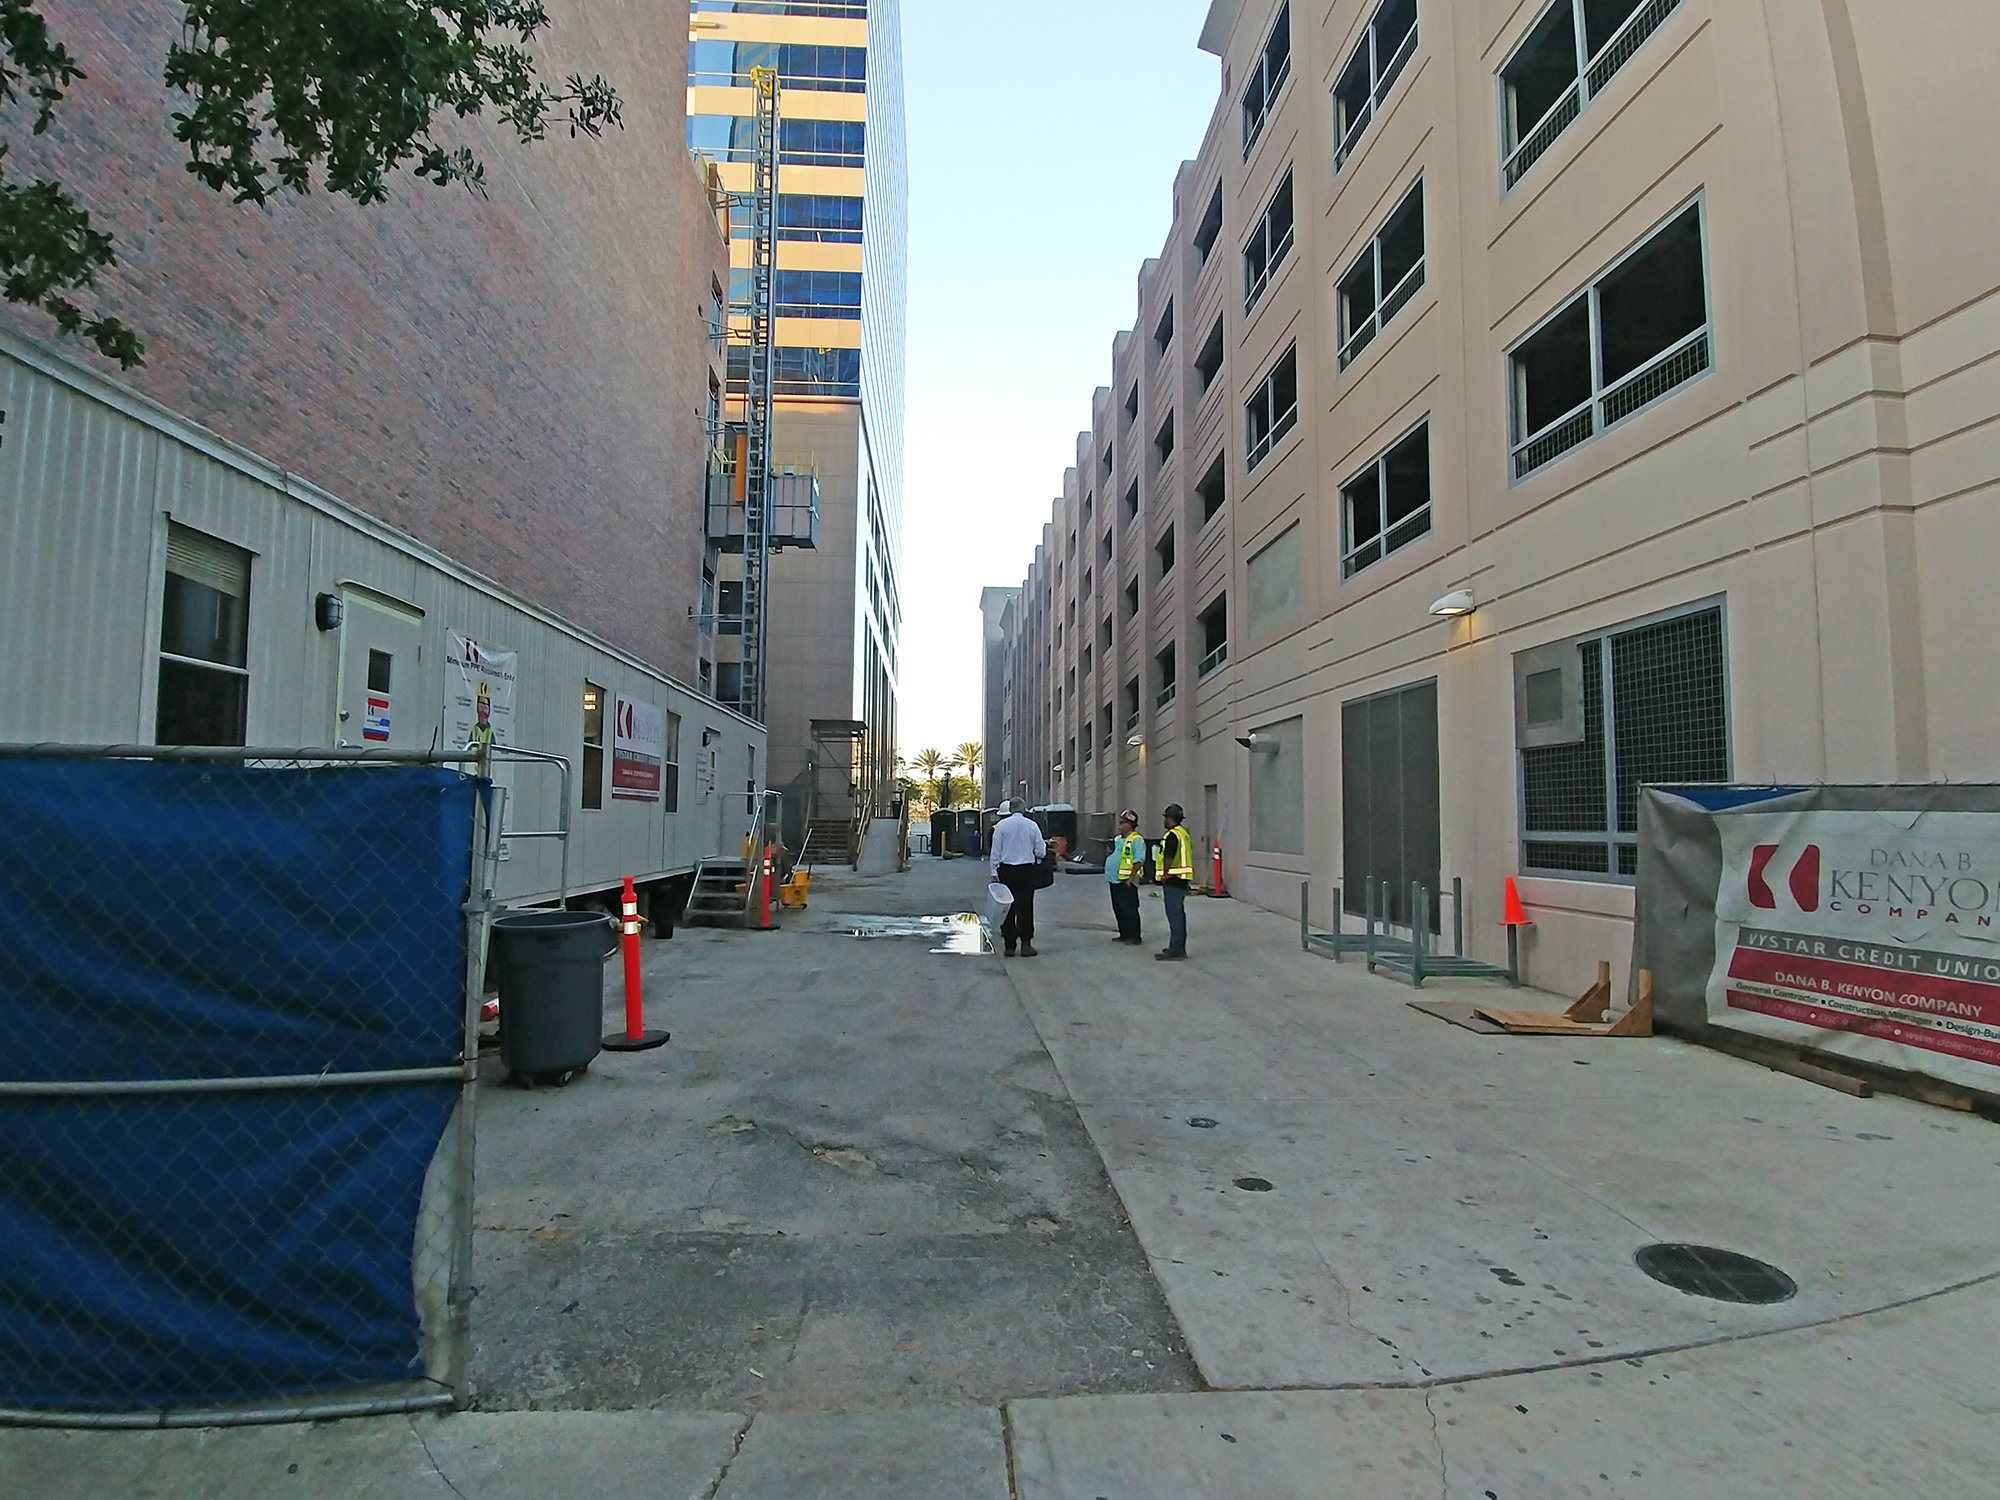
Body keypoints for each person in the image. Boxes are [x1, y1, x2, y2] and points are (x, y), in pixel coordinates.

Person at [988, 799, 1048, 957]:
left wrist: (994, 872)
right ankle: (1026, 945)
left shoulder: (1001, 826)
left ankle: (1009, 946)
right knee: (1026, 907)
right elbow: (1041, 851)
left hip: (1006, 870)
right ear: (1024, 808)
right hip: (1026, 870)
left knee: (1007, 908)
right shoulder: (1032, 825)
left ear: (1009, 809)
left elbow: (995, 851)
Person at [1156, 803, 1195, 960]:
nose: (1164, 821)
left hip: (1173, 879)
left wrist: (1164, 873)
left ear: (1170, 819)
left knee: (1174, 915)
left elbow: (1169, 857)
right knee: (1178, 913)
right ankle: (1178, 947)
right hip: (1181, 879)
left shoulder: (1172, 835)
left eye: (1166, 818)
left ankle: (1176, 949)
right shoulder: (1183, 834)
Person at [1105, 809, 1146, 944]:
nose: (1120, 825)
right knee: (1118, 908)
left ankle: (1134, 936)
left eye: (1123, 823)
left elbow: (1138, 860)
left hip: (1126, 880)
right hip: (1114, 879)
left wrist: (1131, 878)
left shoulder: (1137, 840)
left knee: (1129, 908)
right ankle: (1124, 933)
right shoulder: (1118, 839)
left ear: (1130, 824)